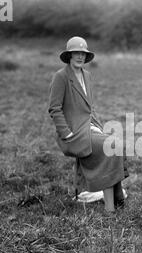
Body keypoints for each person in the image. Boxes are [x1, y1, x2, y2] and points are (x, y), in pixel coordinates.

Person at [48, 36, 126, 213]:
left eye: (83, 53)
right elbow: (54, 108)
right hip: (73, 134)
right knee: (110, 146)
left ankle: (117, 195)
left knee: (117, 145)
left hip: (89, 128)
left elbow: (89, 108)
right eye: (76, 53)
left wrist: (98, 126)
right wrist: (66, 133)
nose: (80, 57)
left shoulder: (88, 76)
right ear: (69, 55)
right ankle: (110, 208)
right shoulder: (60, 77)